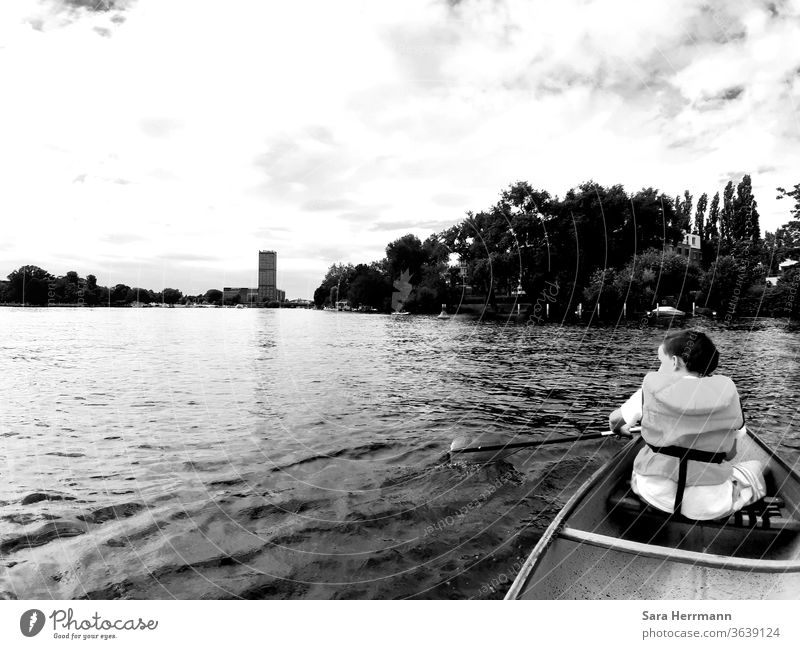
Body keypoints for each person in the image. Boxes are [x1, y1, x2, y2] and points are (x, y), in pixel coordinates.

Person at [609, 330, 766, 520]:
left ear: (675, 362)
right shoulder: (729, 396)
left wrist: (621, 429)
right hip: (708, 506)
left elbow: (615, 420)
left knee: (641, 469)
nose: (659, 368)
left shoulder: (650, 389)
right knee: (756, 467)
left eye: (662, 361)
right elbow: (731, 454)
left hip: (655, 495)